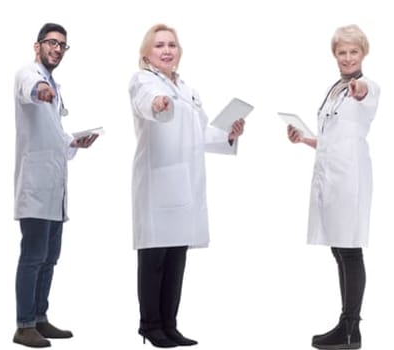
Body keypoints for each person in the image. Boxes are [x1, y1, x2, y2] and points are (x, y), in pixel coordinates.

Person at [127, 23, 245, 348]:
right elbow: (146, 102)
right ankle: (150, 326)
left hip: (184, 184)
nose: (167, 50)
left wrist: (229, 133)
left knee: (177, 257)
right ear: (146, 53)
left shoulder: (187, 89)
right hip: (158, 182)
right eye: (160, 45)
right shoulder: (144, 81)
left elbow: (201, 133)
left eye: (172, 45)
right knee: (155, 258)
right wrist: (158, 104)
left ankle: (170, 325)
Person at [285, 24, 378, 350]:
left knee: (350, 250)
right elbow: (332, 141)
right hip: (332, 175)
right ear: (334, 55)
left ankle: (352, 328)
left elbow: (364, 92)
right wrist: (305, 138)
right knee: (339, 250)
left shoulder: (366, 87)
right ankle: (345, 325)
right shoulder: (336, 88)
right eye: (342, 52)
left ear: (363, 53)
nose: (348, 57)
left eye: (354, 51)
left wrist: (359, 88)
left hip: (350, 179)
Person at [11, 22, 98, 349]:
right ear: (38, 46)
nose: (57, 49)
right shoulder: (28, 74)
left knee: (50, 257)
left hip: (55, 188)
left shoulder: (55, 84)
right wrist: (40, 91)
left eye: (62, 45)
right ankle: (23, 325)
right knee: (32, 257)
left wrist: (76, 142)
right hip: (35, 187)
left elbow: (54, 136)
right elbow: (30, 89)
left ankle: (40, 317)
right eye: (51, 43)